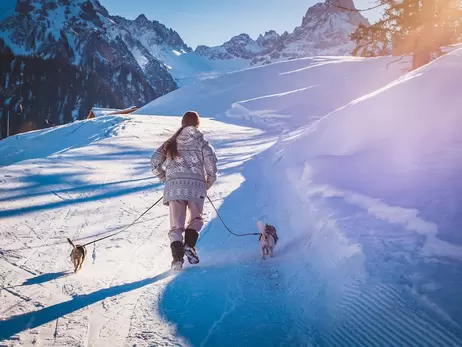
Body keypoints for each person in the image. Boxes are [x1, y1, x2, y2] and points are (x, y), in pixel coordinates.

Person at [151, 111, 218, 270]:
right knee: (196, 219)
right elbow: (211, 166)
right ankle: (189, 245)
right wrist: (207, 183)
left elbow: (154, 161)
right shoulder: (203, 142)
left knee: (176, 226)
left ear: (182, 123)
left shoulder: (171, 142)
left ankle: (177, 260)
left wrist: (165, 178)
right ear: (197, 124)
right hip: (196, 188)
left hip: (175, 189)